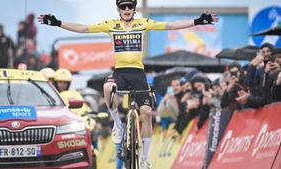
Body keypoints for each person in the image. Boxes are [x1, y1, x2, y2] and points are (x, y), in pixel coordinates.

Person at [38, 1, 218, 167]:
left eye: (129, 7)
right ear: (118, 10)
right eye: (123, 7)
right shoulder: (111, 25)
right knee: (108, 88)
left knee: (146, 112)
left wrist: (198, 21)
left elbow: (170, 26)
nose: (126, 10)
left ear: (133, 9)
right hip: (120, 73)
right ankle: (117, 124)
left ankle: (145, 159)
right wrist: (58, 22)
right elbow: (84, 28)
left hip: (138, 74)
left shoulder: (142, 23)